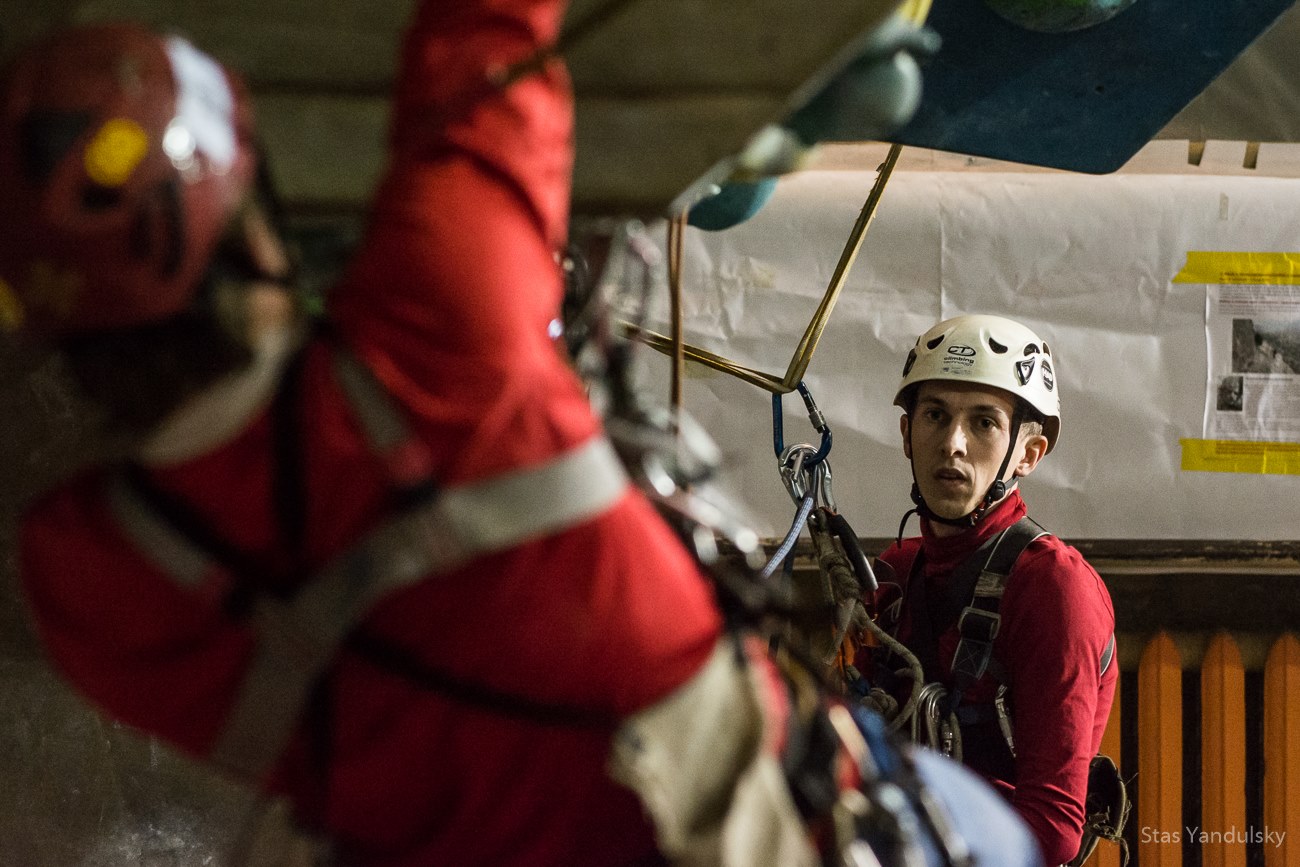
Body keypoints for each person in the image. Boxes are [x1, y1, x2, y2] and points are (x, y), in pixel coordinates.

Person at [0, 4, 1052, 867]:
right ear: (252, 209)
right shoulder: (439, 326)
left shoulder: (93, 578)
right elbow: (486, 35)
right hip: (768, 829)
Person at [865, 314, 1118, 866]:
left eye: (984, 423)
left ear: (1028, 454)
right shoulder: (895, 574)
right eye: (935, 415)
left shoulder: (1053, 588)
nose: (952, 444)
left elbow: (1051, 834)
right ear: (907, 434)